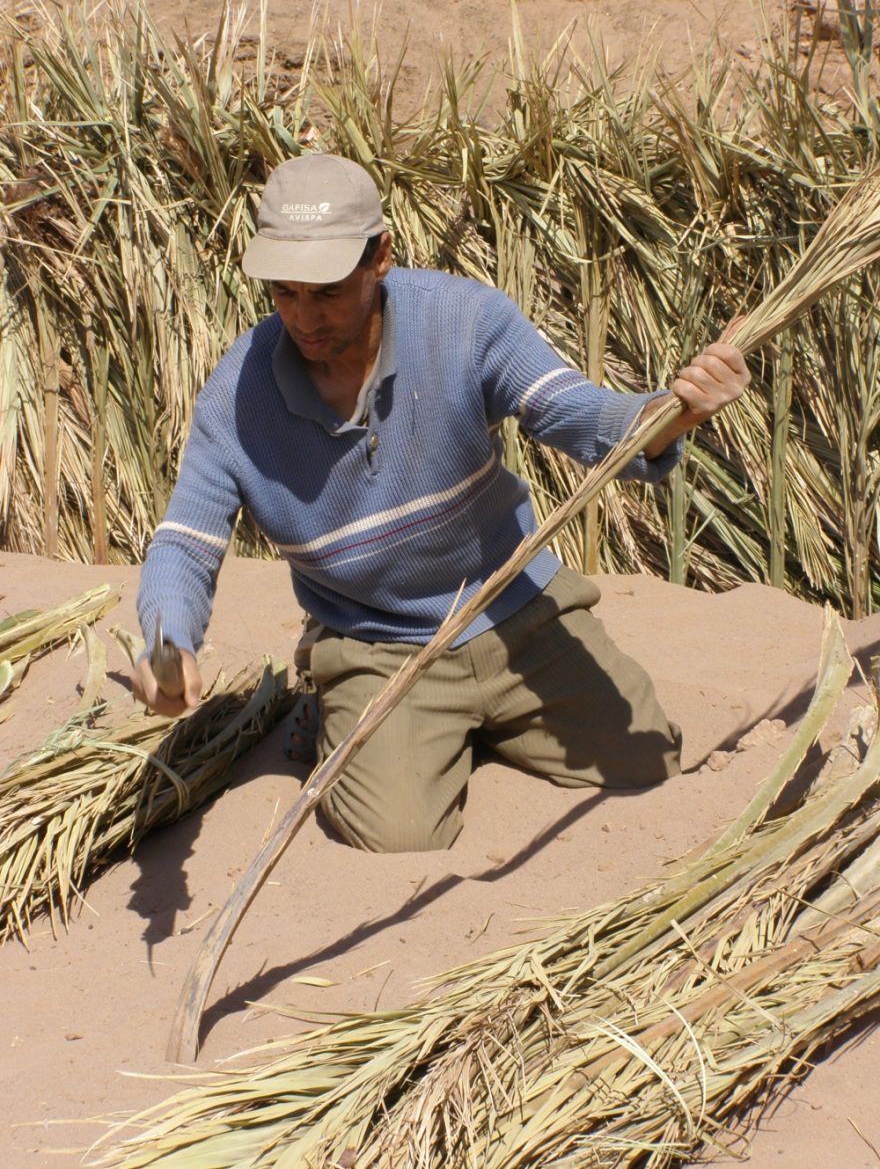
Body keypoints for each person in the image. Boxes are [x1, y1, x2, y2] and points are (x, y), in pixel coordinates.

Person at [132, 153, 749, 853]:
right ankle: (345, 708)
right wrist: (169, 641)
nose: (304, 317)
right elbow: (186, 541)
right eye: (285, 291)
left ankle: (455, 730)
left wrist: (670, 414)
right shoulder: (235, 398)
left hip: (515, 611)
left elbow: (571, 410)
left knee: (647, 761)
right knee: (397, 834)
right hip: (379, 642)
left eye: (327, 291)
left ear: (381, 258)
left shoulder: (464, 321)